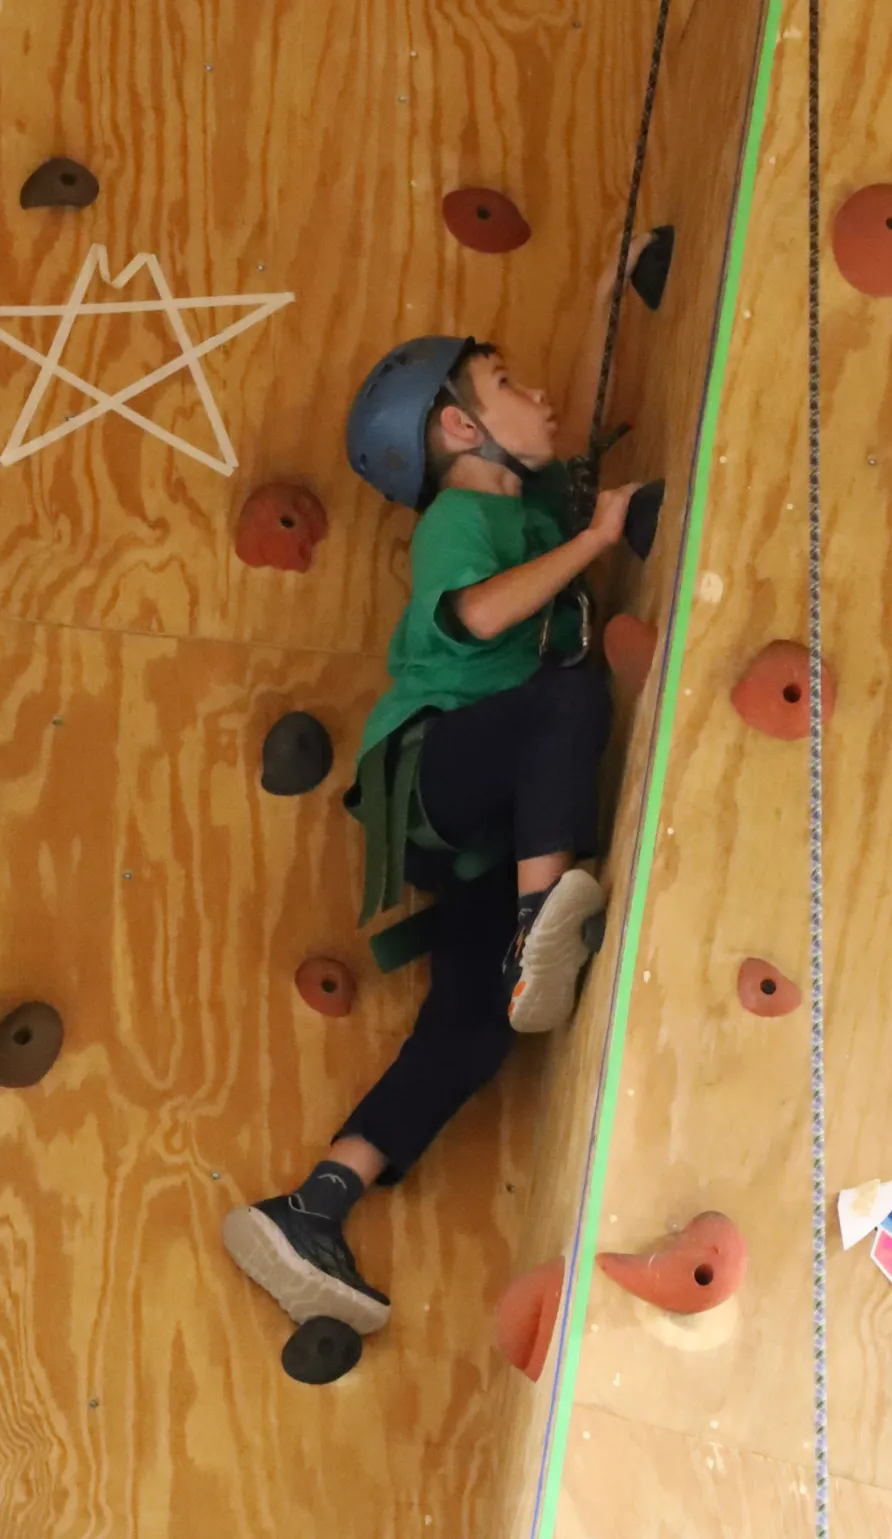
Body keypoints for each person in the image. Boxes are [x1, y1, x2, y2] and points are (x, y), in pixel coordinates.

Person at [223, 240, 650, 1336]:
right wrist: (600, 537)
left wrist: (612, 294)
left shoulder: (528, 508)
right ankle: (535, 925)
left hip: (488, 824)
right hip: (436, 774)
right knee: (567, 694)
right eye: (509, 386)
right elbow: (476, 618)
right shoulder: (462, 523)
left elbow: (581, 425)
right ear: (459, 430)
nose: (537, 394)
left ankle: (316, 1204)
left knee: (472, 1032)